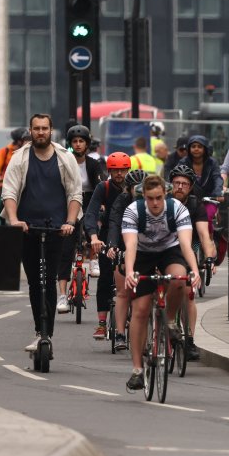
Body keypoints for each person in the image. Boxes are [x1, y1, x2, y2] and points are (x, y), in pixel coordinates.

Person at [1, 113, 83, 353]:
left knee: (49, 279)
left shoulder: (65, 158)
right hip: (28, 230)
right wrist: (15, 220)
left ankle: (48, 334)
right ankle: (40, 331)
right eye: (36, 128)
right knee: (36, 284)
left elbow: (74, 194)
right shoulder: (19, 158)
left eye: (44, 128)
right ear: (30, 131)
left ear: (51, 130)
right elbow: (9, 192)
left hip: (58, 230)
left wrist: (69, 222)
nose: (40, 132)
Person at [122, 175, 200, 391]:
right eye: (150, 198)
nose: (155, 203)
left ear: (165, 195)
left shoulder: (177, 209)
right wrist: (129, 272)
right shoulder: (133, 211)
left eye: (158, 198)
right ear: (143, 197)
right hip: (142, 254)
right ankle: (137, 369)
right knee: (141, 309)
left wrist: (194, 270)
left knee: (178, 279)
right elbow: (130, 245)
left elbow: (185, 243)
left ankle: (171, 321)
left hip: (169, 250)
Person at [168, 164, 217, 360]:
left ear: (190, 187)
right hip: (165, 248)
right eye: (176, 183)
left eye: (184, 184)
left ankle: (189, 339)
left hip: (189, 247)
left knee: (189, 294)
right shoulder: (162, 202)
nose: (180, 187)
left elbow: (205, 235)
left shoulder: (196, 205)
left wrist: (210, 258)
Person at [84, 152, 131, 341]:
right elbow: (91, 213)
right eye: (115, 170)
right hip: (106, 238)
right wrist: (94, 237)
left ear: (128, 169)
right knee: (104, 278)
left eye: (123, 169)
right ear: (109, 171)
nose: (119, 173)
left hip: (130, 238)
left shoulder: (134, 187)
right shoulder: (103, 188)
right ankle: (102, 323)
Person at [57, 125, 104, 313]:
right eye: (75, 141)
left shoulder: (93, 164)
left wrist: (101, 203)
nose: (78, 144)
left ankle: (94, 259)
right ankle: (62, 295)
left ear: (87, 144)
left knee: (92, 226)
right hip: (68, 203)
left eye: (81, 141)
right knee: (65, 250)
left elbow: (100, 183)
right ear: (70, 144)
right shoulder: (64, 163)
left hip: (89, 201)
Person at [106, 168, 148, 351]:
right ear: (129, 189)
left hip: (148, 247)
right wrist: (113, 246)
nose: (139, 191)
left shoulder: (154, 201)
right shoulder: (122, 201)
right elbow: (114, 223)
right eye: (135, 188)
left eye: (142, 187)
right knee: (123, 292)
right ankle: (121, 333)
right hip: (125, 244)